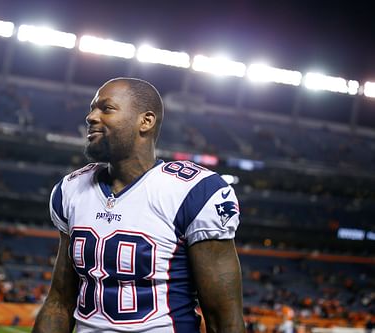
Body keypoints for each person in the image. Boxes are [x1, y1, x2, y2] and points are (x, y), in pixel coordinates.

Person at [32, 78, 245, 333]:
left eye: (106, 108)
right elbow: (59, 303)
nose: (90, 117)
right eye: (92, 108)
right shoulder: (72, 189)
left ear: (146, 121)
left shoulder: (193, 191)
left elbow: (224, 321)